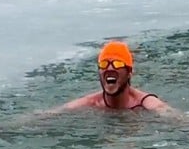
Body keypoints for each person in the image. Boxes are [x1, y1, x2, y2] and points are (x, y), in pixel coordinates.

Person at [39, 40, 179, 116]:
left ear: (129, 72)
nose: (110, 68)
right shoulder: (92, 103)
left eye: (117, 64)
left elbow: (167, 112)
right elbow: (55, 113)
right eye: (104, 64)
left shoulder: (144, 103)